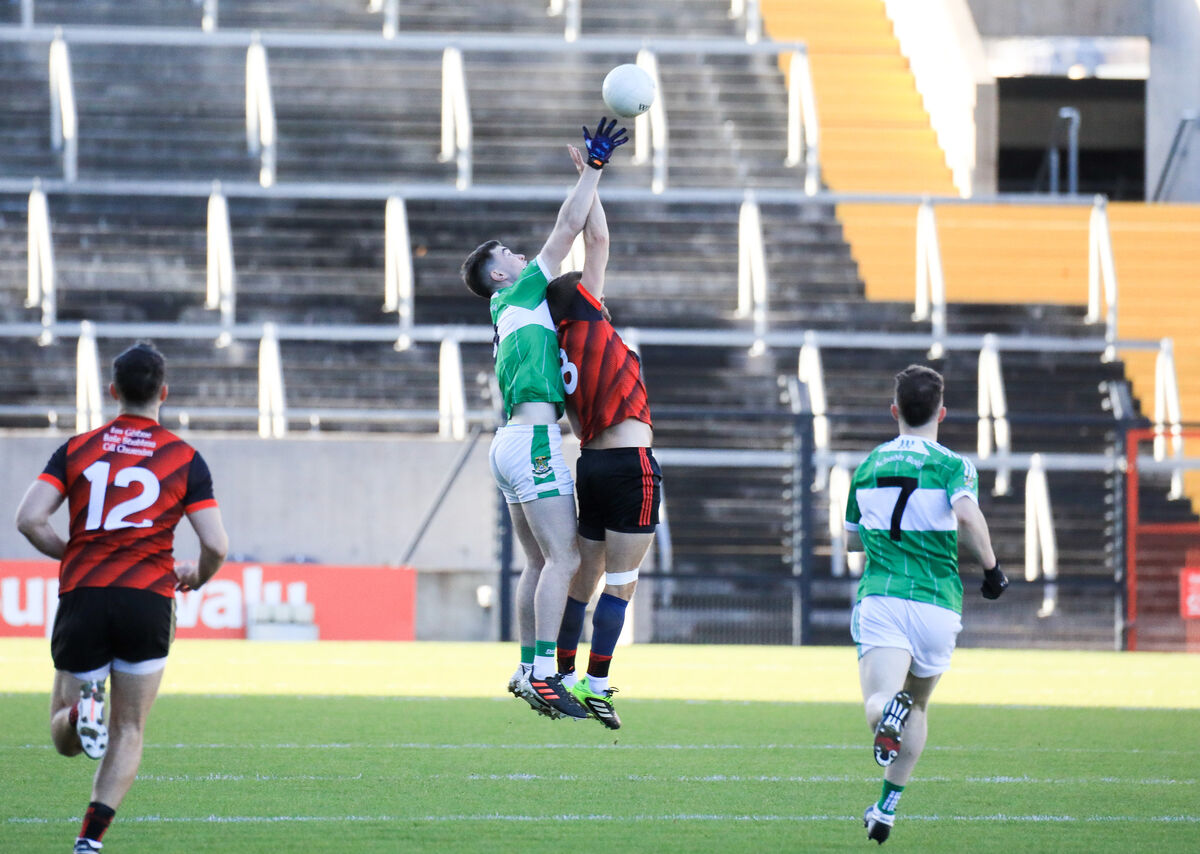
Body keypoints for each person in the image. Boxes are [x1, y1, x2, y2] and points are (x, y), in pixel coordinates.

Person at [14, 341, 229, 853]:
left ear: (113, 391)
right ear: (164, 393)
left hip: (85, 593)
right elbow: (216, 544)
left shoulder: (77, 448)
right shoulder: (184, 457)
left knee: (63, 737)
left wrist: (75, 553)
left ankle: (77, 715)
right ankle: (89, 842)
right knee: (129, 728)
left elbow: (28, 518)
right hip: (148, 600)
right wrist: (196, 576)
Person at [460, 117, 628, 721]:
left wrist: (590, 177)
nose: (521, 254)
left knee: (537, 561)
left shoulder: (512, 309)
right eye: (509, 254)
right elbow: (567, 230)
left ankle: (525, 664)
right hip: (533, 439)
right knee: (565, 560)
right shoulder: (522, 292)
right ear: (500, 275)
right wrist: (595, 169)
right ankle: (539, 672)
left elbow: (584, 239)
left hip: (510, 440)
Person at [843, 364, 1008, 845]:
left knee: (881, 701)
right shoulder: (952, 465)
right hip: (938, 604)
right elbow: (966, 514)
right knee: (917, 705)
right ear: (942, 413)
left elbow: (853, 541)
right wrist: (992, 569)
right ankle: (886, 808)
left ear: (894, 410)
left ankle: (885, 710)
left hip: (885, 596)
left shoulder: (870, 465)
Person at [543, 144, 660, 730]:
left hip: (589, 462)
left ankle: (561, 672)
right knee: (621, 582)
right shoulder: (586, 319)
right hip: (630, 463)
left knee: (584, 577)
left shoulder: (555, 347)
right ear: (581, 300)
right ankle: (598, 682)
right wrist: (591, 174)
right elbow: (597, 242)